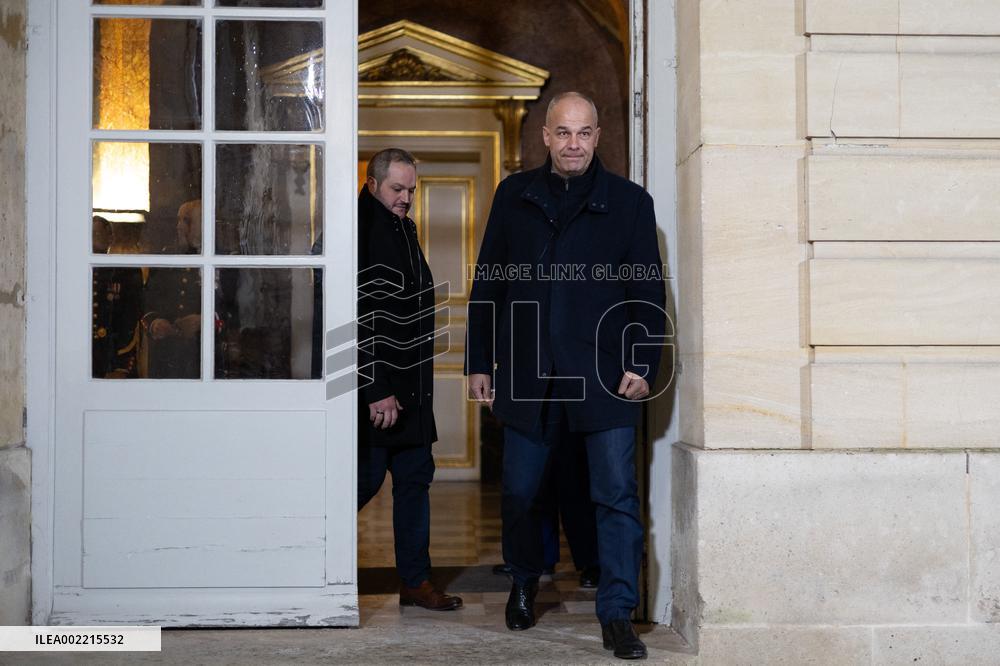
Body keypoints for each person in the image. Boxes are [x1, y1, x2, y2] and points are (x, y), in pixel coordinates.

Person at [466, 92, 666, 659]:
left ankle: (617, 613)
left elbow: (646, 290)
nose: (573, 143)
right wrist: (480, 360)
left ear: (597, 137)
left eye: (583, 133)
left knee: (615, 496)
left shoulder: (629, 203)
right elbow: (489, 285)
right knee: (522, 491)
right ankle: (525, 581)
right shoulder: (514, 195)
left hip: (604, 374)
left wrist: (642, 362)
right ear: (545, 137)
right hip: (529, 372)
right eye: (563, 133)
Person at [356, 148, 462, 611]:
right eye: (397, 189)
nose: (405, 198)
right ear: (373, 182)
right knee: (361, 483)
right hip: (378, 392)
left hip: (414, 391)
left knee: (415, 482)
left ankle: (416, 582)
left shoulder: (403, 227)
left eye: (411, 190)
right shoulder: (357, 227)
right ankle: (303, 565)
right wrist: (376, 388)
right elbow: (355, 316)